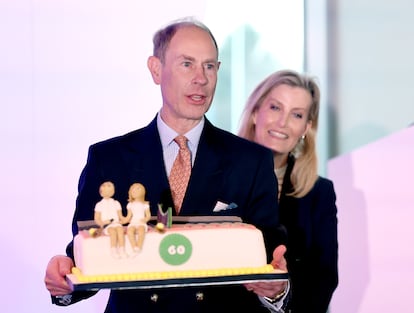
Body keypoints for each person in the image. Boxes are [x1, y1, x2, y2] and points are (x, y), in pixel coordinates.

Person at [44, 17, 290, 313]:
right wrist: (63, 280)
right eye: (187, 64)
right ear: (156, 69)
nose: (201, 78)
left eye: (209, 66)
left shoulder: (251, 161)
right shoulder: (109, 158)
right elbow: (88, 255)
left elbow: (271, 257)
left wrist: (277, 290)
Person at [238, 69, 339, 313]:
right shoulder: (215, 176)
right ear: (255, 113)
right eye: (275, 108)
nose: (283, 122)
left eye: (296, 114)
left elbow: (323, 280)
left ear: (306, 127)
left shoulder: (320, 193)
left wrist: (279, 295)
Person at [94, 181, 127, 258]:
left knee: (120, 230)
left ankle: (122, 250)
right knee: (112, 232)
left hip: (116, 223)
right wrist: (103, 223)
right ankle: (113, 250)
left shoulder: (116, 203)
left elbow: (121, 217)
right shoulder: (99, 205)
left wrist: (125, 220)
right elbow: (97, 219)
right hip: (107, 225)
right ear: (101, 192)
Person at [124, 182, 151, 254]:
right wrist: (124, 221)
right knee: (130, 231)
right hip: (133, 222)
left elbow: (148, 215)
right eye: (133, 190)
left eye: (138, 189)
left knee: (141, 230)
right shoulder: (130, 205)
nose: (135, 191)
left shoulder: (145, 205)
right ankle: (134, 247)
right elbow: (128, 216)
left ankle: (139, 246)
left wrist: (145, 219)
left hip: (141, 222)